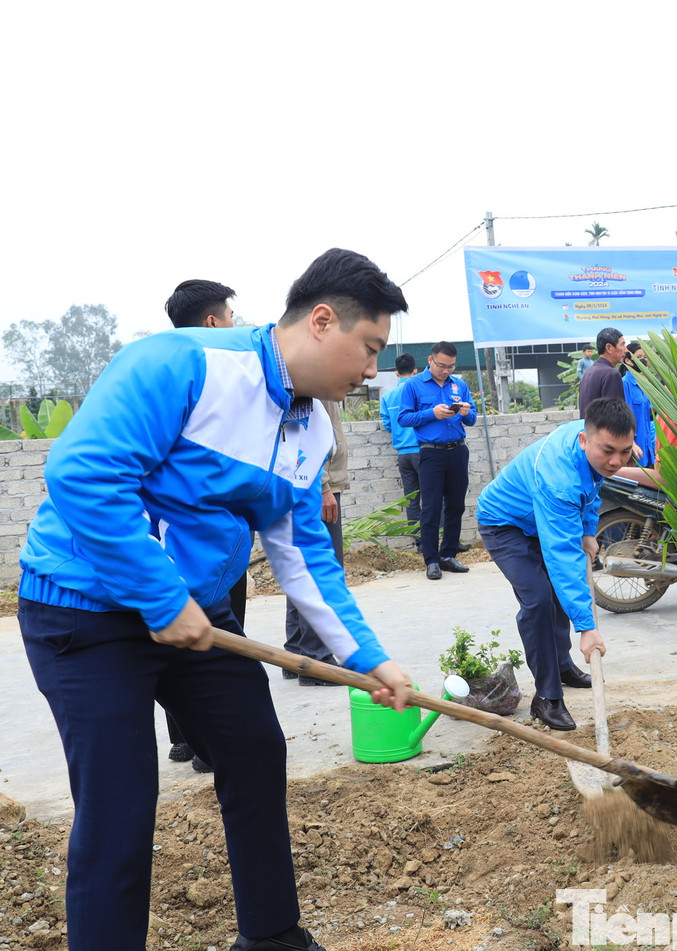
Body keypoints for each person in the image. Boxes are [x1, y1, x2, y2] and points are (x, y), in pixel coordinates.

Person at [19, 248, 414, 951]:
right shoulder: (182, 366)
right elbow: (81, 476)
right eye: (370, 348)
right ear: (323, 320)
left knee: (256, 749)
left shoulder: (312, 426)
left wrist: (369, 658)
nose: (370, 371)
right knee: (121, 804)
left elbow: (304, 556)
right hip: (84, 608)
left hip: (194, 613)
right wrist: (161, 596)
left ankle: (272, 935)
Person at [475, 398, 634, 730]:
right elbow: (563, 558)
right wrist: (587, 627)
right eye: (608, 451)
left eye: (625, 452)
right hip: (505, 524)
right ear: (584, 440)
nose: (616, 461)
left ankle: (561, 665)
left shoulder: (595, 447)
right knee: (538, 599)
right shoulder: (558, 478)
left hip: (541, 518)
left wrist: (589, 531)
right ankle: (547, 698)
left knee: (559, 596)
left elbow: (591, 490)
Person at [162, 278, 244, 772]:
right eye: (232, 316)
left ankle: (187, 738)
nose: (237, 324)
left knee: (182, 638)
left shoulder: (165, 369)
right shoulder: (212, 379)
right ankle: (201, 735)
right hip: (195, 543)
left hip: (182, 540)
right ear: (213, 322)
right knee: (203, 633)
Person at [282, 397, 350, 685]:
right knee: (320, 570)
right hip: (315, 487)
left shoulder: (320, 378)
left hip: (312, 485)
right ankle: (316, 659)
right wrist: (322, 487)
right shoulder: (313, 380)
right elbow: (301, 436)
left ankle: (296, 654)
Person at [396, 341, 477, 580]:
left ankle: (448, 554)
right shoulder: (413, 385)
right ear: (430, 360)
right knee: (430, 507)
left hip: (458, 451)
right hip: (431, 453)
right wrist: (432, 413)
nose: (446, 370)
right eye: (442, 365)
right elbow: (403, 418)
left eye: (451, 366)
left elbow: (472, 418)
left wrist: (465, 412)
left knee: (456, 505)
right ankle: (431, 560)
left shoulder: (459, 384)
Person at [378, 353, 422, 552]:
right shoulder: (419, 392)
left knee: (411, 499)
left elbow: (388, 424)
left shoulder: (388, 396)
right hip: (423, 451)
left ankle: (419, 542)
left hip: (403, 455)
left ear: (396, 373)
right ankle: (436, 538)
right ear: (416, 371)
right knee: (433, 497)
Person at [621, 339, 656, 466]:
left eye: (645, 357)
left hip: (649, 444)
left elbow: (650, 413)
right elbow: (625, 417)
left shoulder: (645, 383)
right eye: (639, 357)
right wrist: (631, 444)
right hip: (636, 446)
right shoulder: (625, 383)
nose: (643, 360)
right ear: (628, 361)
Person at [578, 326, 625, 416]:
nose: (625, 350)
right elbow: (615, 416)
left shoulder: (589, 372)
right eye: (622, 344)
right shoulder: (612, 374)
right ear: (609, 348)